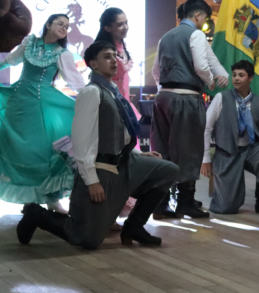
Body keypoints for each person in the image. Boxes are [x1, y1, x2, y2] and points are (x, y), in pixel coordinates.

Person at [16, 41, 179, 249]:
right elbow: (81, 140)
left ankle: (134, 226)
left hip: (125, 163)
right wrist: (91, 180)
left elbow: (119, 136)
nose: (114, 60)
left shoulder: (113, 92)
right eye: (107, 56)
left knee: (168, 170)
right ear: (93, 64)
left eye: (114, 55)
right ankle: (35, 213)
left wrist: (140, 155)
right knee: (86, 239)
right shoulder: (92, 92)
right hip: (103, 169)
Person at [0, 14, 86, 212]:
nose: (64, 28)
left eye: (67, 26)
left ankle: (51, 198)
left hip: (43, 106)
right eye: (60, 23)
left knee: (40, 150)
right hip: (18, 103)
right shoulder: (29, 43)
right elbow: (10, 60)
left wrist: (93, 97)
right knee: (16, 148)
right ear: (48, 24)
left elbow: (75, 82)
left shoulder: (63, 54)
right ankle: (29, 198)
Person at [151, 0, 229, 219]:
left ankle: (161, 203)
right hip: (186, 98)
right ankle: (185, 202)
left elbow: (155, 71)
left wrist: (165, 89)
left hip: (162, 98)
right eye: (204, 18)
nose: (204, 22)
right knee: (188, 150)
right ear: (198, 16)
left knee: (163, 151)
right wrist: (211, 82)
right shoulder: (196, 34)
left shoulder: (166, 36)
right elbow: (201, 66)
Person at [201, 60, 259, 215]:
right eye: (234, 75)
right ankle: (225, 194)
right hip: (227, 151)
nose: (236, 78)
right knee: (226, 208)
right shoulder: (220, 98)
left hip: (251, 149)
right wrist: (205, 159)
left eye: (241, 75)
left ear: (250, 78)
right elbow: (206, 128)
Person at [95, 8, 138, 113]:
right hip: (109, 98)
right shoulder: (102, 50)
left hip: (124, 98)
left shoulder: (122, 45)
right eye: (120, 25)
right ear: (107, 28)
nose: (126, 27)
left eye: (126, 23)